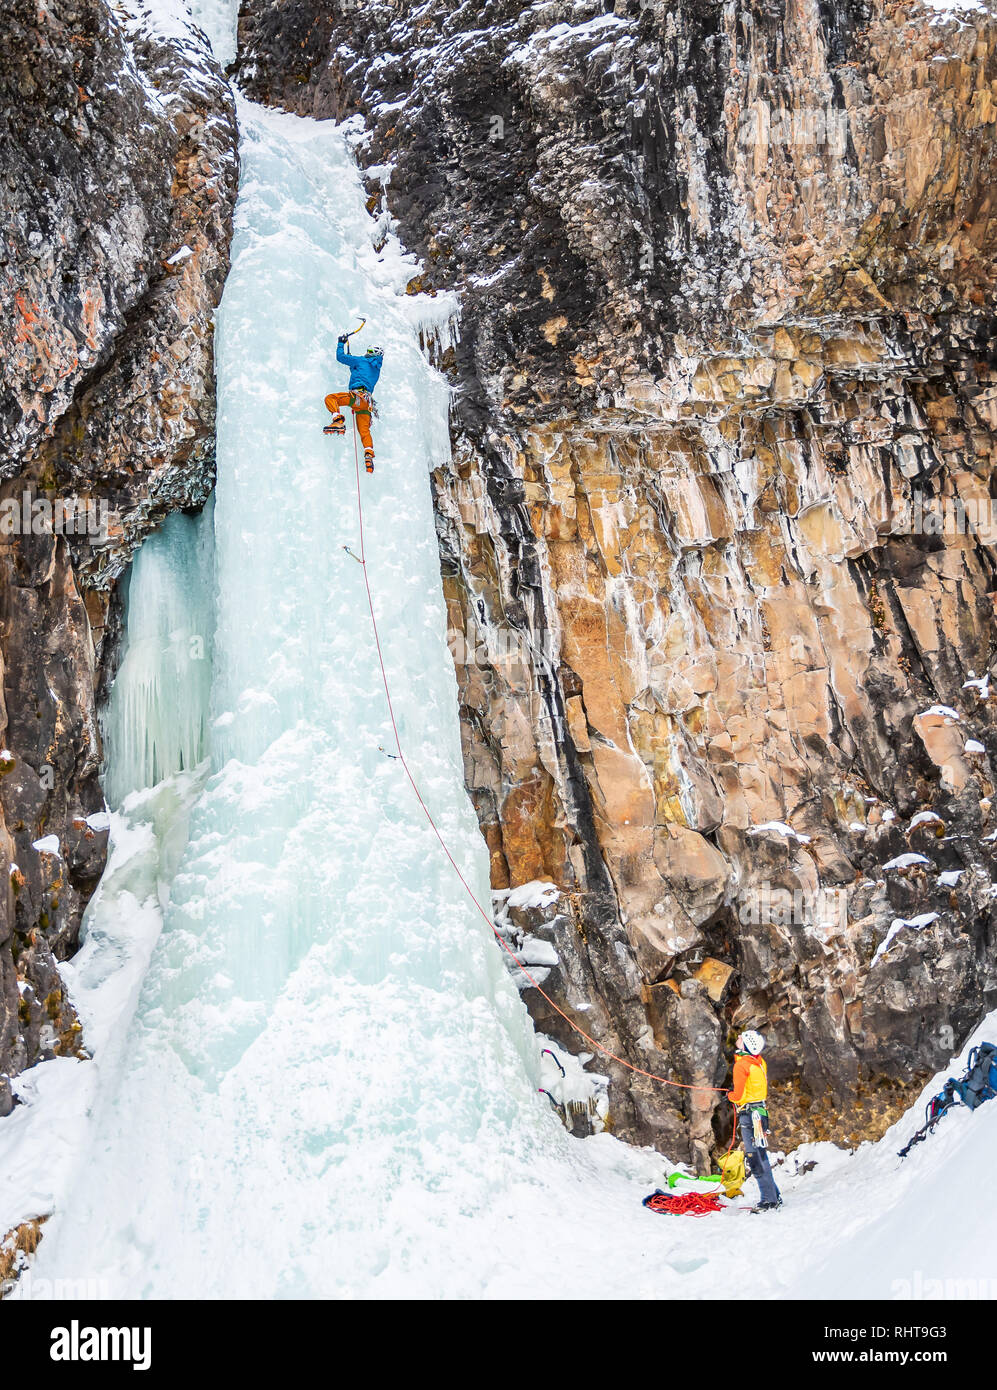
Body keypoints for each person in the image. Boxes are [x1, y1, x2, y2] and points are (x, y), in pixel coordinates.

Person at [727, 1030, 782, 1211]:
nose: (738, 1039)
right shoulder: (759, 1062)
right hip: (760, 1113)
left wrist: (730, 1096)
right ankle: (774, 1195)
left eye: (741, 1038)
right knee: (761, 1154)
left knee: (754, 1157)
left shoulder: (742, 1065)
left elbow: (739, 1094)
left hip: (749, 1116)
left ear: (746, 1044)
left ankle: (768, 1200)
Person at [324, 335, 384, 472]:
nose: (366, 353)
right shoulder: (376, 369)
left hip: (357, 397)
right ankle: (369, 455)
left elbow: (341, 357)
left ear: (373, 353)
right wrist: (354, 367)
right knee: (364, 431)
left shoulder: (361, 360)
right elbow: (361, 373)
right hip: (366, 404)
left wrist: (341, 343)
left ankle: (338, 421)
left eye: (369, 352)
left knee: (331, 398)